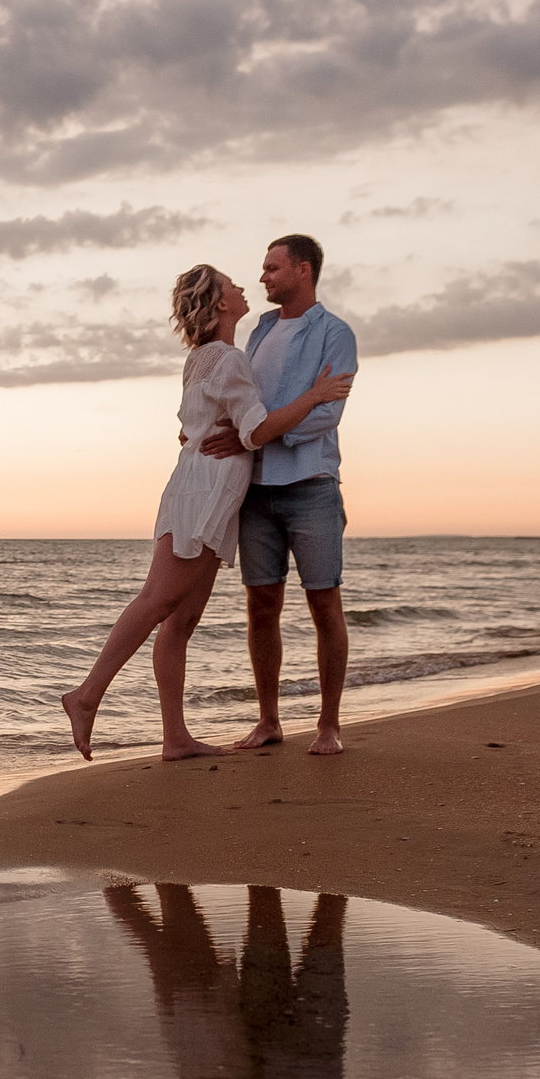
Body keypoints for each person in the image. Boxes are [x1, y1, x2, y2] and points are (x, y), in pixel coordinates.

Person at [59, 265, 355, 760]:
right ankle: (86, 696)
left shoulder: (202, 357)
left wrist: (231, 433)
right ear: (220, 304)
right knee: (158, 602)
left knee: (182, 619)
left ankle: (175, 738)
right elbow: (256, 430)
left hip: (200, 488)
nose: (244, 287)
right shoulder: (231, 358)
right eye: (231, 284)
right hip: (208, 492)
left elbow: (199, 425)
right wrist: (314, 396)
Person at [197, 234, 359, 755]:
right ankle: (268, 721)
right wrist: (226, 430)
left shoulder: (335, 333)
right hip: (256, 488)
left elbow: (328, 412)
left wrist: (262, 431)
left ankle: (328, 724)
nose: (263, 277)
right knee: (261, 605)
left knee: (324, 602)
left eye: (272, 268)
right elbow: (241, 403)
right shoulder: (260, 330)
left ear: (303, 270)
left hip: (311, 485)